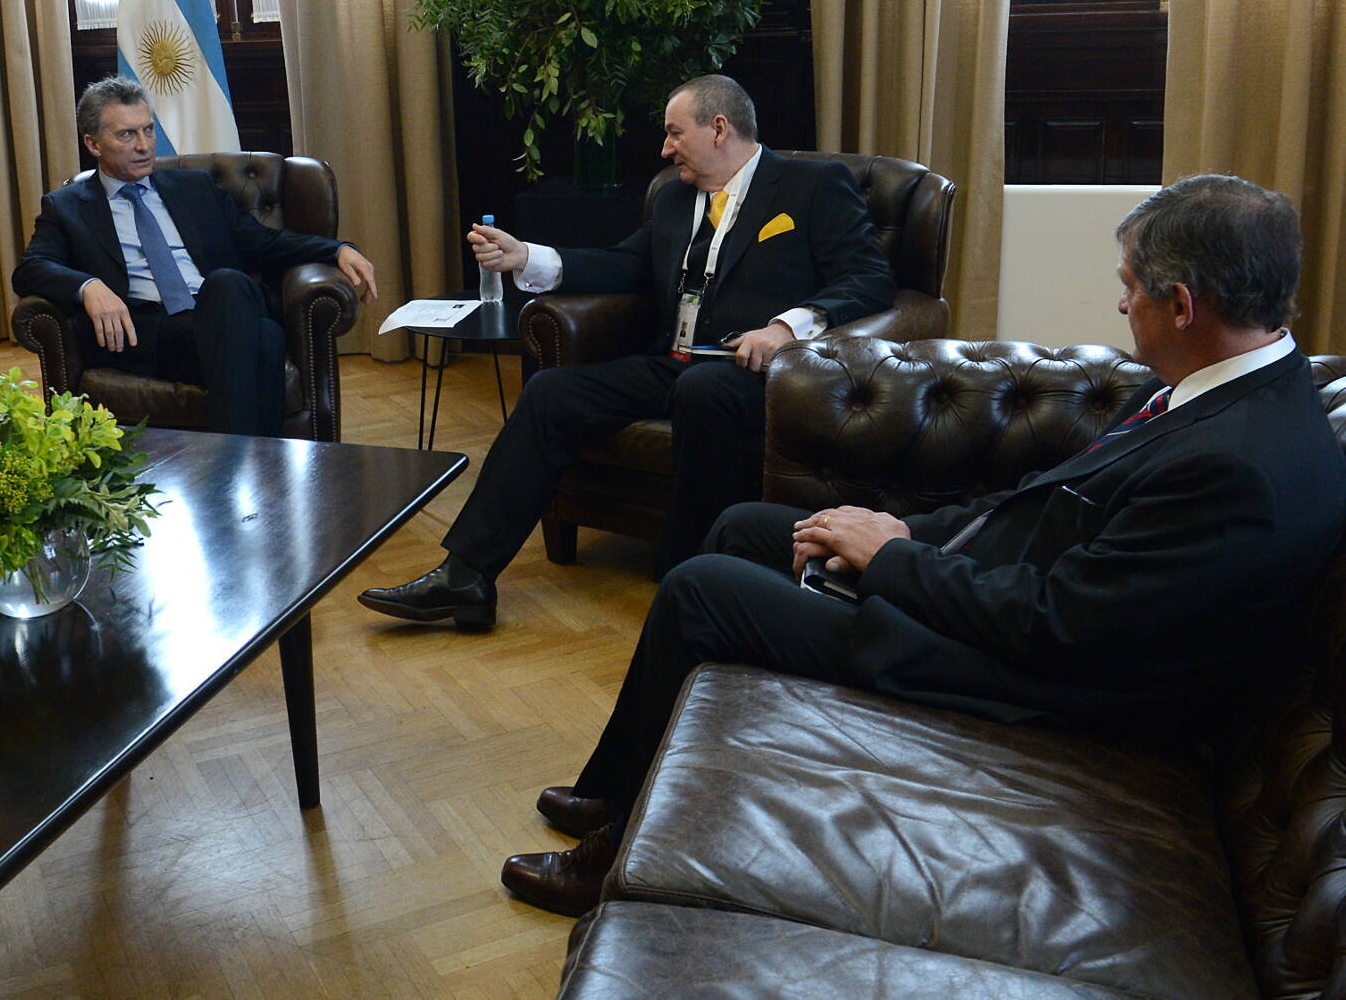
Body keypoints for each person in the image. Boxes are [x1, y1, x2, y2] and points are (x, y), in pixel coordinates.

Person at [500, 173, 1346, 918]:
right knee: (746, 529)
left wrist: (895, 563)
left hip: (1042, 682)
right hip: (1017, 601)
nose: (1121, 305)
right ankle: (615, 789)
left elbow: (1063, 626)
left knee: (700, 588)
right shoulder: (1222, 393)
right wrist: (905, 530)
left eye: (1130, 287)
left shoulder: (1241, 468)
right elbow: (1034, 513)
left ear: (1183, 304)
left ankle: (605, 862)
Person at [358, 74, 895, 628]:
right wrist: (526, 258)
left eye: (672, 133)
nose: (664, 148)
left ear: (718, 128)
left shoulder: (811, 186)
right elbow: (624, 265)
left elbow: (869, 279)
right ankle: (466, 575)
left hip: (764, 372)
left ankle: (691, 572)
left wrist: (786, 328)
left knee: (702, 390)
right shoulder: (673, 198)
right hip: (675, 360)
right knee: (550, 393)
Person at [11, 76, 378, 437]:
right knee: (263, 337)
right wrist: (87, 286)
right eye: (127, 134)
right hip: (148, 334)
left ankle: (231, 462)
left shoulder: (195, 188)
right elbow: (30, 270)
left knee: (229, 289)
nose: (145, 145)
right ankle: (255, 464)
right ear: (93, 144)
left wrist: (337, 248)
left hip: (219, 312)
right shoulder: (67, 207)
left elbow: (263, 242)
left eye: (148, 130)